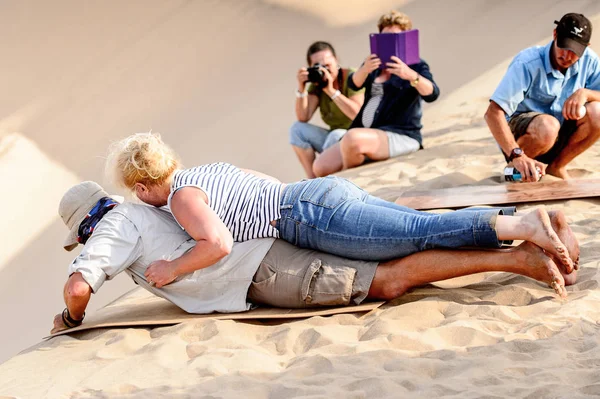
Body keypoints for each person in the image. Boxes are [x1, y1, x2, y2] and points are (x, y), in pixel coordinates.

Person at [53, 181, 577, 334]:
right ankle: (511, 236)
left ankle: (517, 257)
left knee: (384, 279)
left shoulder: (114, 227)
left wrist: (69, 319)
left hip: (265, 268)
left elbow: (79, 288)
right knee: (396, 237)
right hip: (273, 236)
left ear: (85, 228)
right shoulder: (144, 208)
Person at [105, 133, 579, 288]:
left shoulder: (181, 198)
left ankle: (522, 223)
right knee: (413, 228)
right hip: (319, 195)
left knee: (417, 231)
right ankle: (528, 232)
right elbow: (266, 184)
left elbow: (218, 243)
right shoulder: (206, 172)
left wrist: (172, 267)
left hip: (309, 215)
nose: (141, 200)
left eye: (137, 192)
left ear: (144, 184)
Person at [313, 11, 440, 177]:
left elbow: (432, 93)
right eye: (385, 37)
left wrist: (409, 75)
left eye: (395, 36)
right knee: (320, 167)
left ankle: (348, 181)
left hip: (401, 135)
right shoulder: (375, 63)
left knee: (352, 139)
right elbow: (353, 83)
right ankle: (357, 160)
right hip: (368, 131)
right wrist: (365, 69)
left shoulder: (416, 65)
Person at [485, 13, 600, 182]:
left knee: (598, 112)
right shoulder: (527, 62)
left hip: (559, 132)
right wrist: (516, 154)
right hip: (520, 138)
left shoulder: (590, 60)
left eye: (574, 51)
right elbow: (492, 113)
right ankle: (515, 170)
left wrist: (585, 93)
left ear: (585, 47)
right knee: (548, 127)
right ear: (555, 35)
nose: (567, 56)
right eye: (563, 46)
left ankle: (556, 167)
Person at [291, 41, 365, 178]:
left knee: (336, 135)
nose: (324, 70)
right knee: (297, 129)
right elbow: (303, 117)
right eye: (318, 66)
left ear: (336, 60)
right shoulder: (317, 84)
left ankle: (325, 178)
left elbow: (358, 115)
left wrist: (332, 91)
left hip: (356, 139)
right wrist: (301, 88)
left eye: (327, 65)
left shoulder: (352, 77)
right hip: (332, 141)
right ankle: (313, 180)